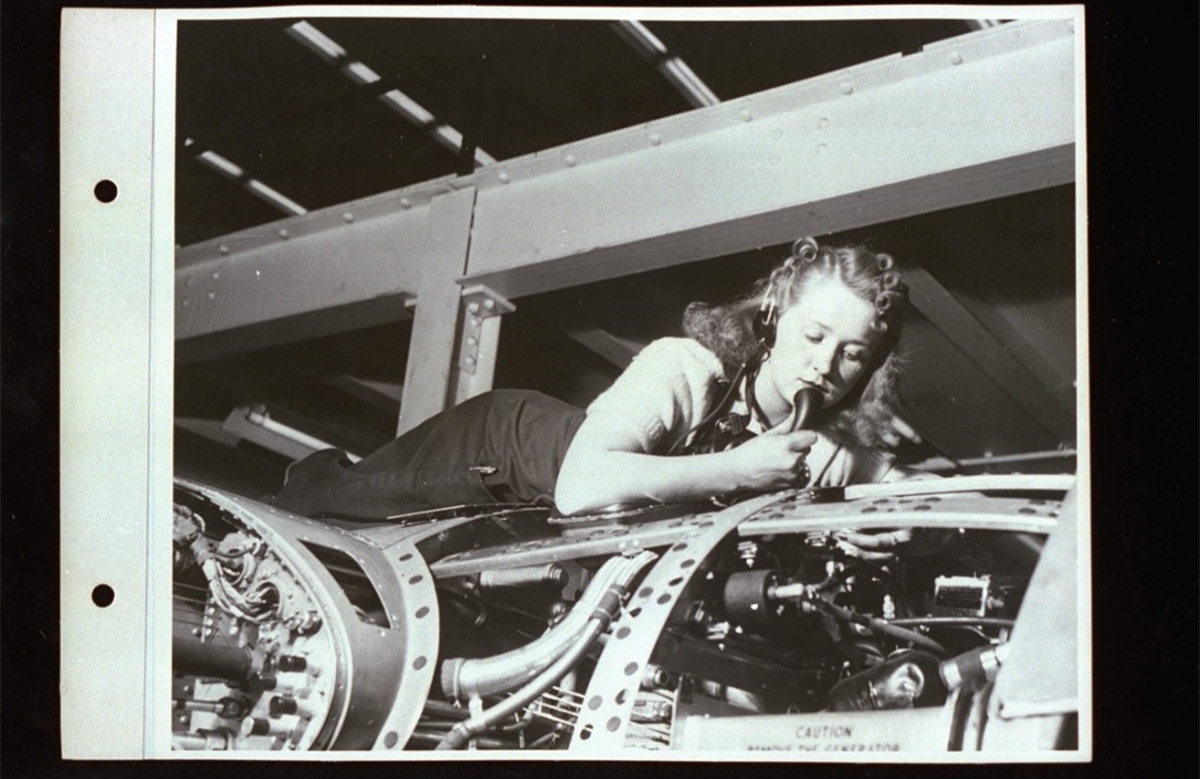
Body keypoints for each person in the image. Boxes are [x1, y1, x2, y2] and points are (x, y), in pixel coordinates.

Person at [268, 237, 934, 552]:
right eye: (815, 335)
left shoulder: (816, 445)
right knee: (328, 509)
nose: (826, 365)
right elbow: (581, 486)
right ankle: (309, 473)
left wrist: (888, 517)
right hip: (505, 455)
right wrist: (734, 469)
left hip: (538, 514)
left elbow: (911, 484)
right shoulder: (686, 369)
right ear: (771, 319)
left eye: (853, 354)